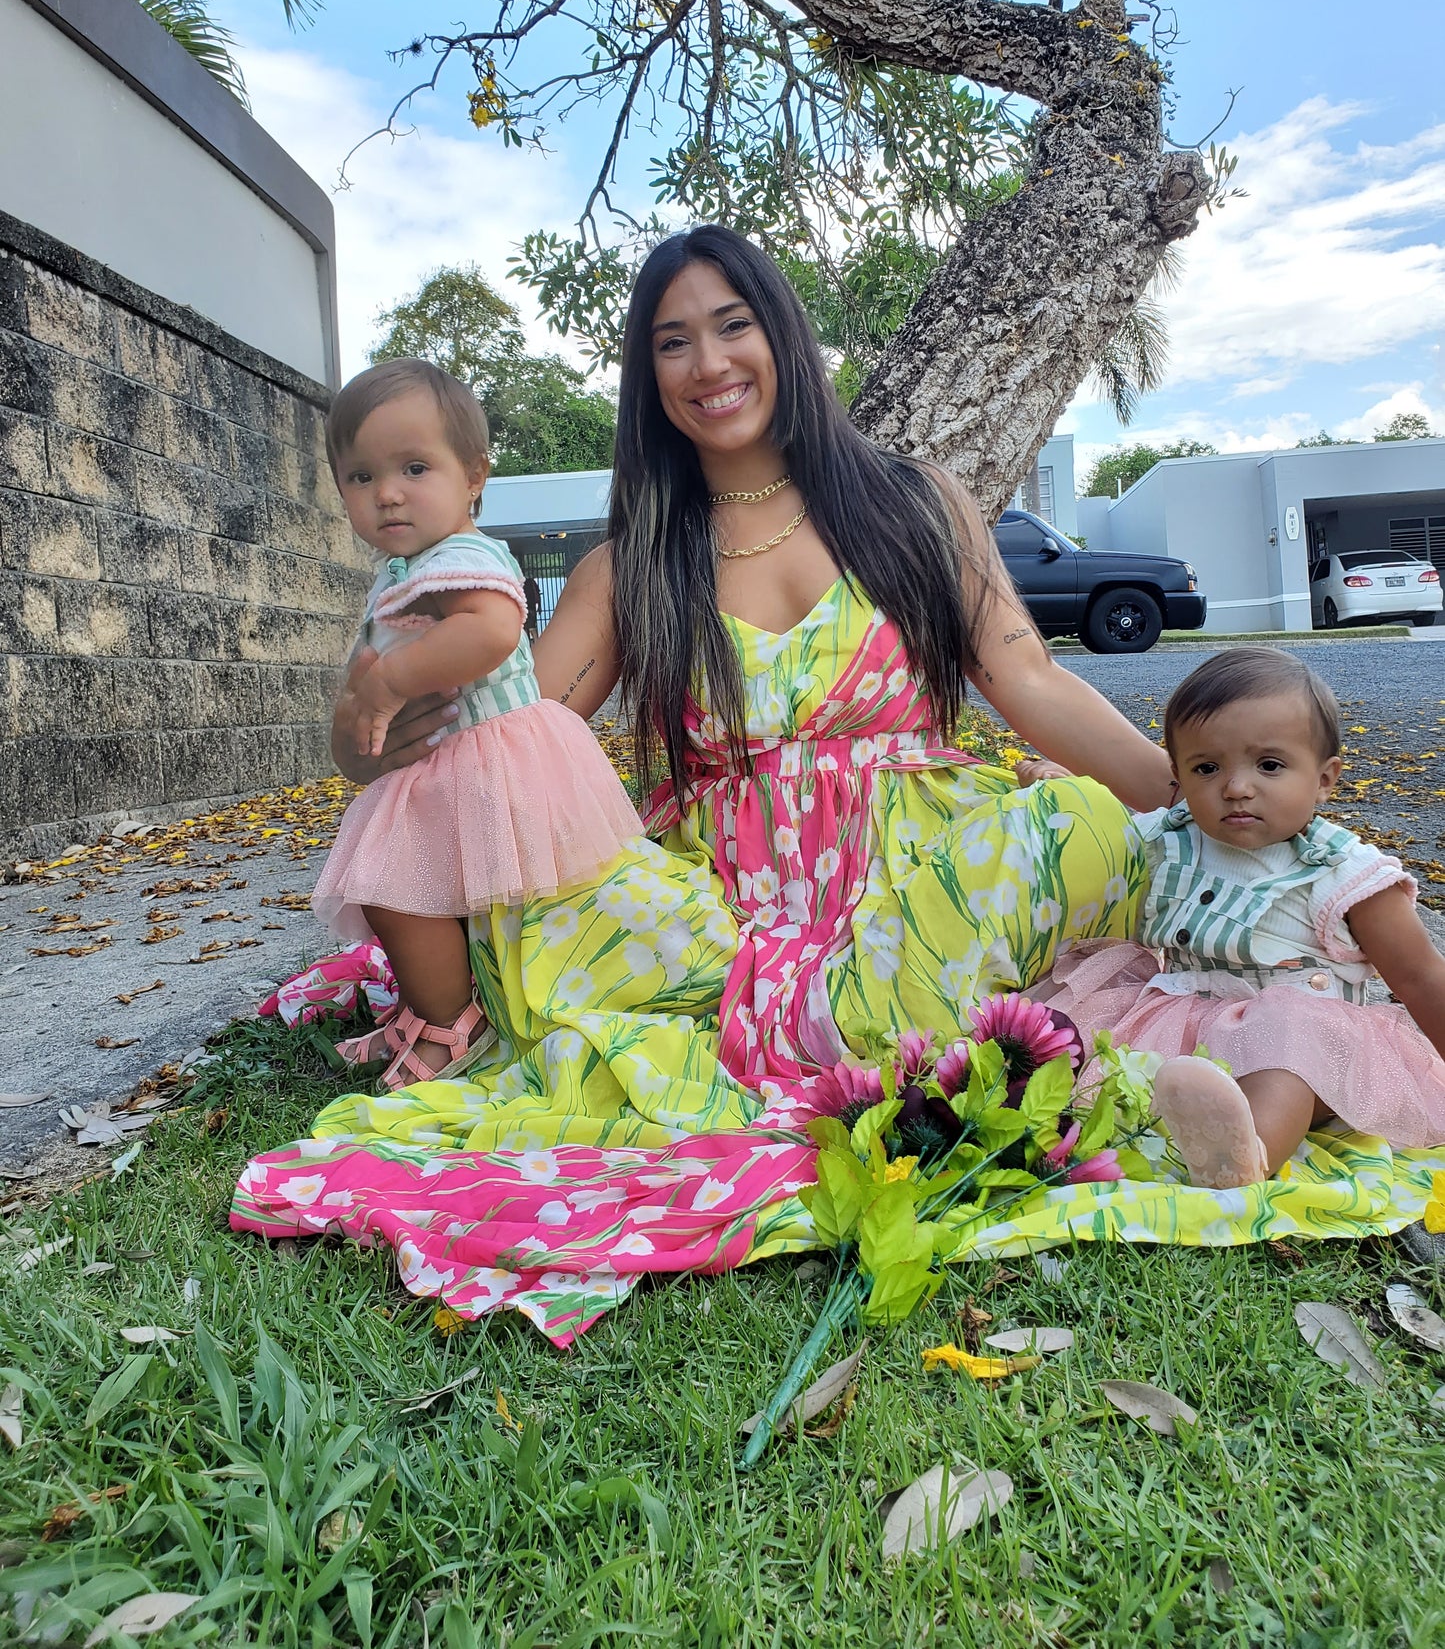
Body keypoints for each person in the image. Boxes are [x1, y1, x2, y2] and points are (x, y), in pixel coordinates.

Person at [233, 227, 1180, 1327]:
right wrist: (365, 740)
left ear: (781, 329)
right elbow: (508, 730)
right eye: (670, 342)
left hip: (910, 891)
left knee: (1076, 823)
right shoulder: (634, 560)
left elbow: (1028, 679)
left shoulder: (914, 503)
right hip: (710, 928)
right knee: (555, 896)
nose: (707, 363)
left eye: (731, 324)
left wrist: (1186, 793)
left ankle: (849, 1026)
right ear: (647, 378)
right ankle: (864, 1039)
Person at [308, 357, 643, 1090]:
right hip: (449, 761)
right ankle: (441, 1006)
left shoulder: (459, 555)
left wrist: (394, 675)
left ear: (473, 476)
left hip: (490, 757)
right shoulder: (405, 567)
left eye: (415, 467)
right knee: (413, 894)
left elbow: (492, 629)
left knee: (399, 891)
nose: (387, 493)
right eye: (360, 477)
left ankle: (448, 1023)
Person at [1042, 647, 1445, 1187]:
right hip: (1190, 1025)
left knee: (1289, 1047)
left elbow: (1420, 976)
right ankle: (1137, 1122)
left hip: (1312, 1041)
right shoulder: (1169, 841)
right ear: (1178, 777)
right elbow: (1097, 831)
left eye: (1269, 765)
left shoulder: (1341, 872)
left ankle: (1245, 1155)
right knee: (1089, 1034)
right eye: (1206, 768)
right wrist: (1057, 790)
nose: (1235, 786)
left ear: (1325, 779)